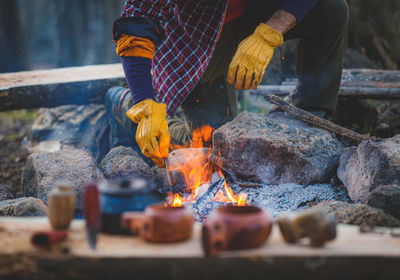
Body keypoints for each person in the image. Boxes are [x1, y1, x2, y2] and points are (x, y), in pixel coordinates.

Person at [107, 0, 350, 168]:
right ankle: (124, 102)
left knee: (332, 7)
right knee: (213, 148)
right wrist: (144, 102)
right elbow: (137, 18)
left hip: (253, 15)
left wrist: (270, 32)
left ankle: (310, 116)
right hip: (193, 40)